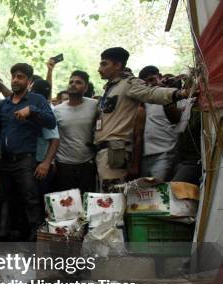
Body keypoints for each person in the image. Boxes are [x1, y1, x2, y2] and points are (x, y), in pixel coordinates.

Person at [94, 47, 190, 191]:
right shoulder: (111, 88)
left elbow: (151, 92)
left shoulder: (129, 83)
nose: (99, 69)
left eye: (104, 64)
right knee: (107, 196)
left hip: (115, 150)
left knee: (112, 197)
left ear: (118, 65)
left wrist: (180, 93)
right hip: (104, 151)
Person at [0, 63, 56, 241]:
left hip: (25, 160)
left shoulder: (36, 100)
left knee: (30, 198)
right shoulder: (4, 104)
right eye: (13, 76)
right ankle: (3, 235)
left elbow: (51, 122)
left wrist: (32, 111)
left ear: (28, 81)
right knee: (4, 198)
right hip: (4, 160)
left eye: (20, 77)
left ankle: (35, 237)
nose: (15, 80)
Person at [54, 70, 98, 193]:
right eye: (71, 82)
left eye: (78, 82)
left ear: (86, 87)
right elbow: (53, 138)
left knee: (87, 202)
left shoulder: (95, 105)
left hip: (87, 162)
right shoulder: (57, 110)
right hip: (63, 164)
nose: (73, 84)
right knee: (66, 204)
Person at [138, 65, 182, 181]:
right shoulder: (144, 101)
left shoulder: (173, 95)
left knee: (159, 189)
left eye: (152, 79)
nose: (150, 84)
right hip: (145, 155)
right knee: (145, 192)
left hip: (165, 153)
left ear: (160, 77)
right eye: (146, 83)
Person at [30, 78, 60, 196]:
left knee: (38, 202)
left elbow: (55, 139)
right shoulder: (33, 108)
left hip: (41, 164)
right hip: (33, 161)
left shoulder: (45, 110)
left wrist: (46, 163)